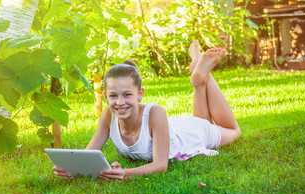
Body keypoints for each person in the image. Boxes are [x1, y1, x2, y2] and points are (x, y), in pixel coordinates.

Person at [53, 40, 241, 181]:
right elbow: (89, 156)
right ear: (105, 97)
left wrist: (125, 173)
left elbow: (161, 165)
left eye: (127, 94)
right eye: (113, 96)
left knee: (233, 131)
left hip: (191, 134)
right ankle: (199, 78)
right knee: (202, 119)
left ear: (140, 94)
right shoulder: (108, 116)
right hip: (174, 129)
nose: (119, 102)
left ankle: (201, 76)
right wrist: (72, 169)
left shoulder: (156, 112)